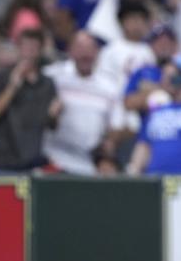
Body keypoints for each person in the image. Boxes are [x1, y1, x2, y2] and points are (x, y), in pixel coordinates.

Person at [44, 31, 123, 175]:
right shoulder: (53, 76)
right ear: (70, 51)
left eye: (90, 49)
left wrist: (109, 143)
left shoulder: (110, 85)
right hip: (56, 161)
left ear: (97, 53)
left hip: (92, 165)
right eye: (80, 48)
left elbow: (116, 125)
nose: (85, 54)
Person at [0, 28, 60, 171]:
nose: (29, 53)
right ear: (18, 49)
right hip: (3, 159)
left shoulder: (47, 83)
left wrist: (54, 115)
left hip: (34, 160)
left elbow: (52, 126)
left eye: (33, 48)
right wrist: (12, 87)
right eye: (25, 47)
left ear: (40, 51)